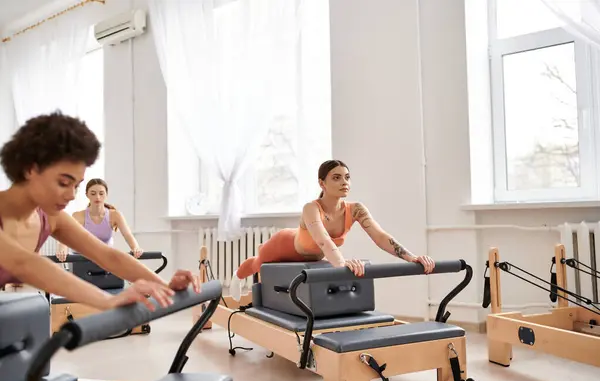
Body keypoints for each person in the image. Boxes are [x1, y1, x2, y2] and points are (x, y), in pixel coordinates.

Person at [0, 111, 199, 311]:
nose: (71, 195)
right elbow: (23, 263)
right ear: (30, 169)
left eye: (76, 186)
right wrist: (107, 300)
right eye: (63, 183)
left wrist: (165, 287)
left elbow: (107, 255)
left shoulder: (51, 218)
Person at [229, 159, 436, 301]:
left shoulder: (356, 209)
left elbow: (381, 237)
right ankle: (237, 278)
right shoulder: (311, 208)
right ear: (322, 183)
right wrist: (342, 263)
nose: (344, 182)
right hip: (285, 245)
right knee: (258, 263)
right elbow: (323, 241)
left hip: (314, 257)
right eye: (336, 177)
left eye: (347, 177)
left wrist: (412, 258)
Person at [55, 178, 143, 261]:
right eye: (93, 194)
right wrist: (62, 249)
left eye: (101, 193)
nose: (97, 197)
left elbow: (128, 235)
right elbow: (65, 236)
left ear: (106, 195)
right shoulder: (78, 216)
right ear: (87, 195)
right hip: (82, 261)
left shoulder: (115, 215)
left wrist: (135, 248)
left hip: (106, 260)